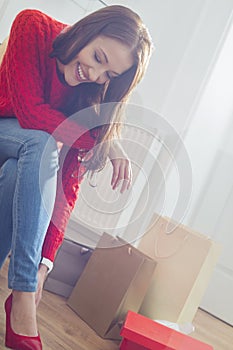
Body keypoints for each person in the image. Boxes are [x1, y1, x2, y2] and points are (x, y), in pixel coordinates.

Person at [0, 4, 153, 349]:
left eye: (109, 75)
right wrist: (101, 138)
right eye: (99, 57)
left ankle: (25, 286)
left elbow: (67, 186)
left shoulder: (89, 96)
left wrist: (45, 264)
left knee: (25, 166)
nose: (97, 75)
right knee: (41, 144)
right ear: (88, 28)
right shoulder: (33, 26)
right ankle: (21, 297)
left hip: (23, 158)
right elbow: (28, 111)